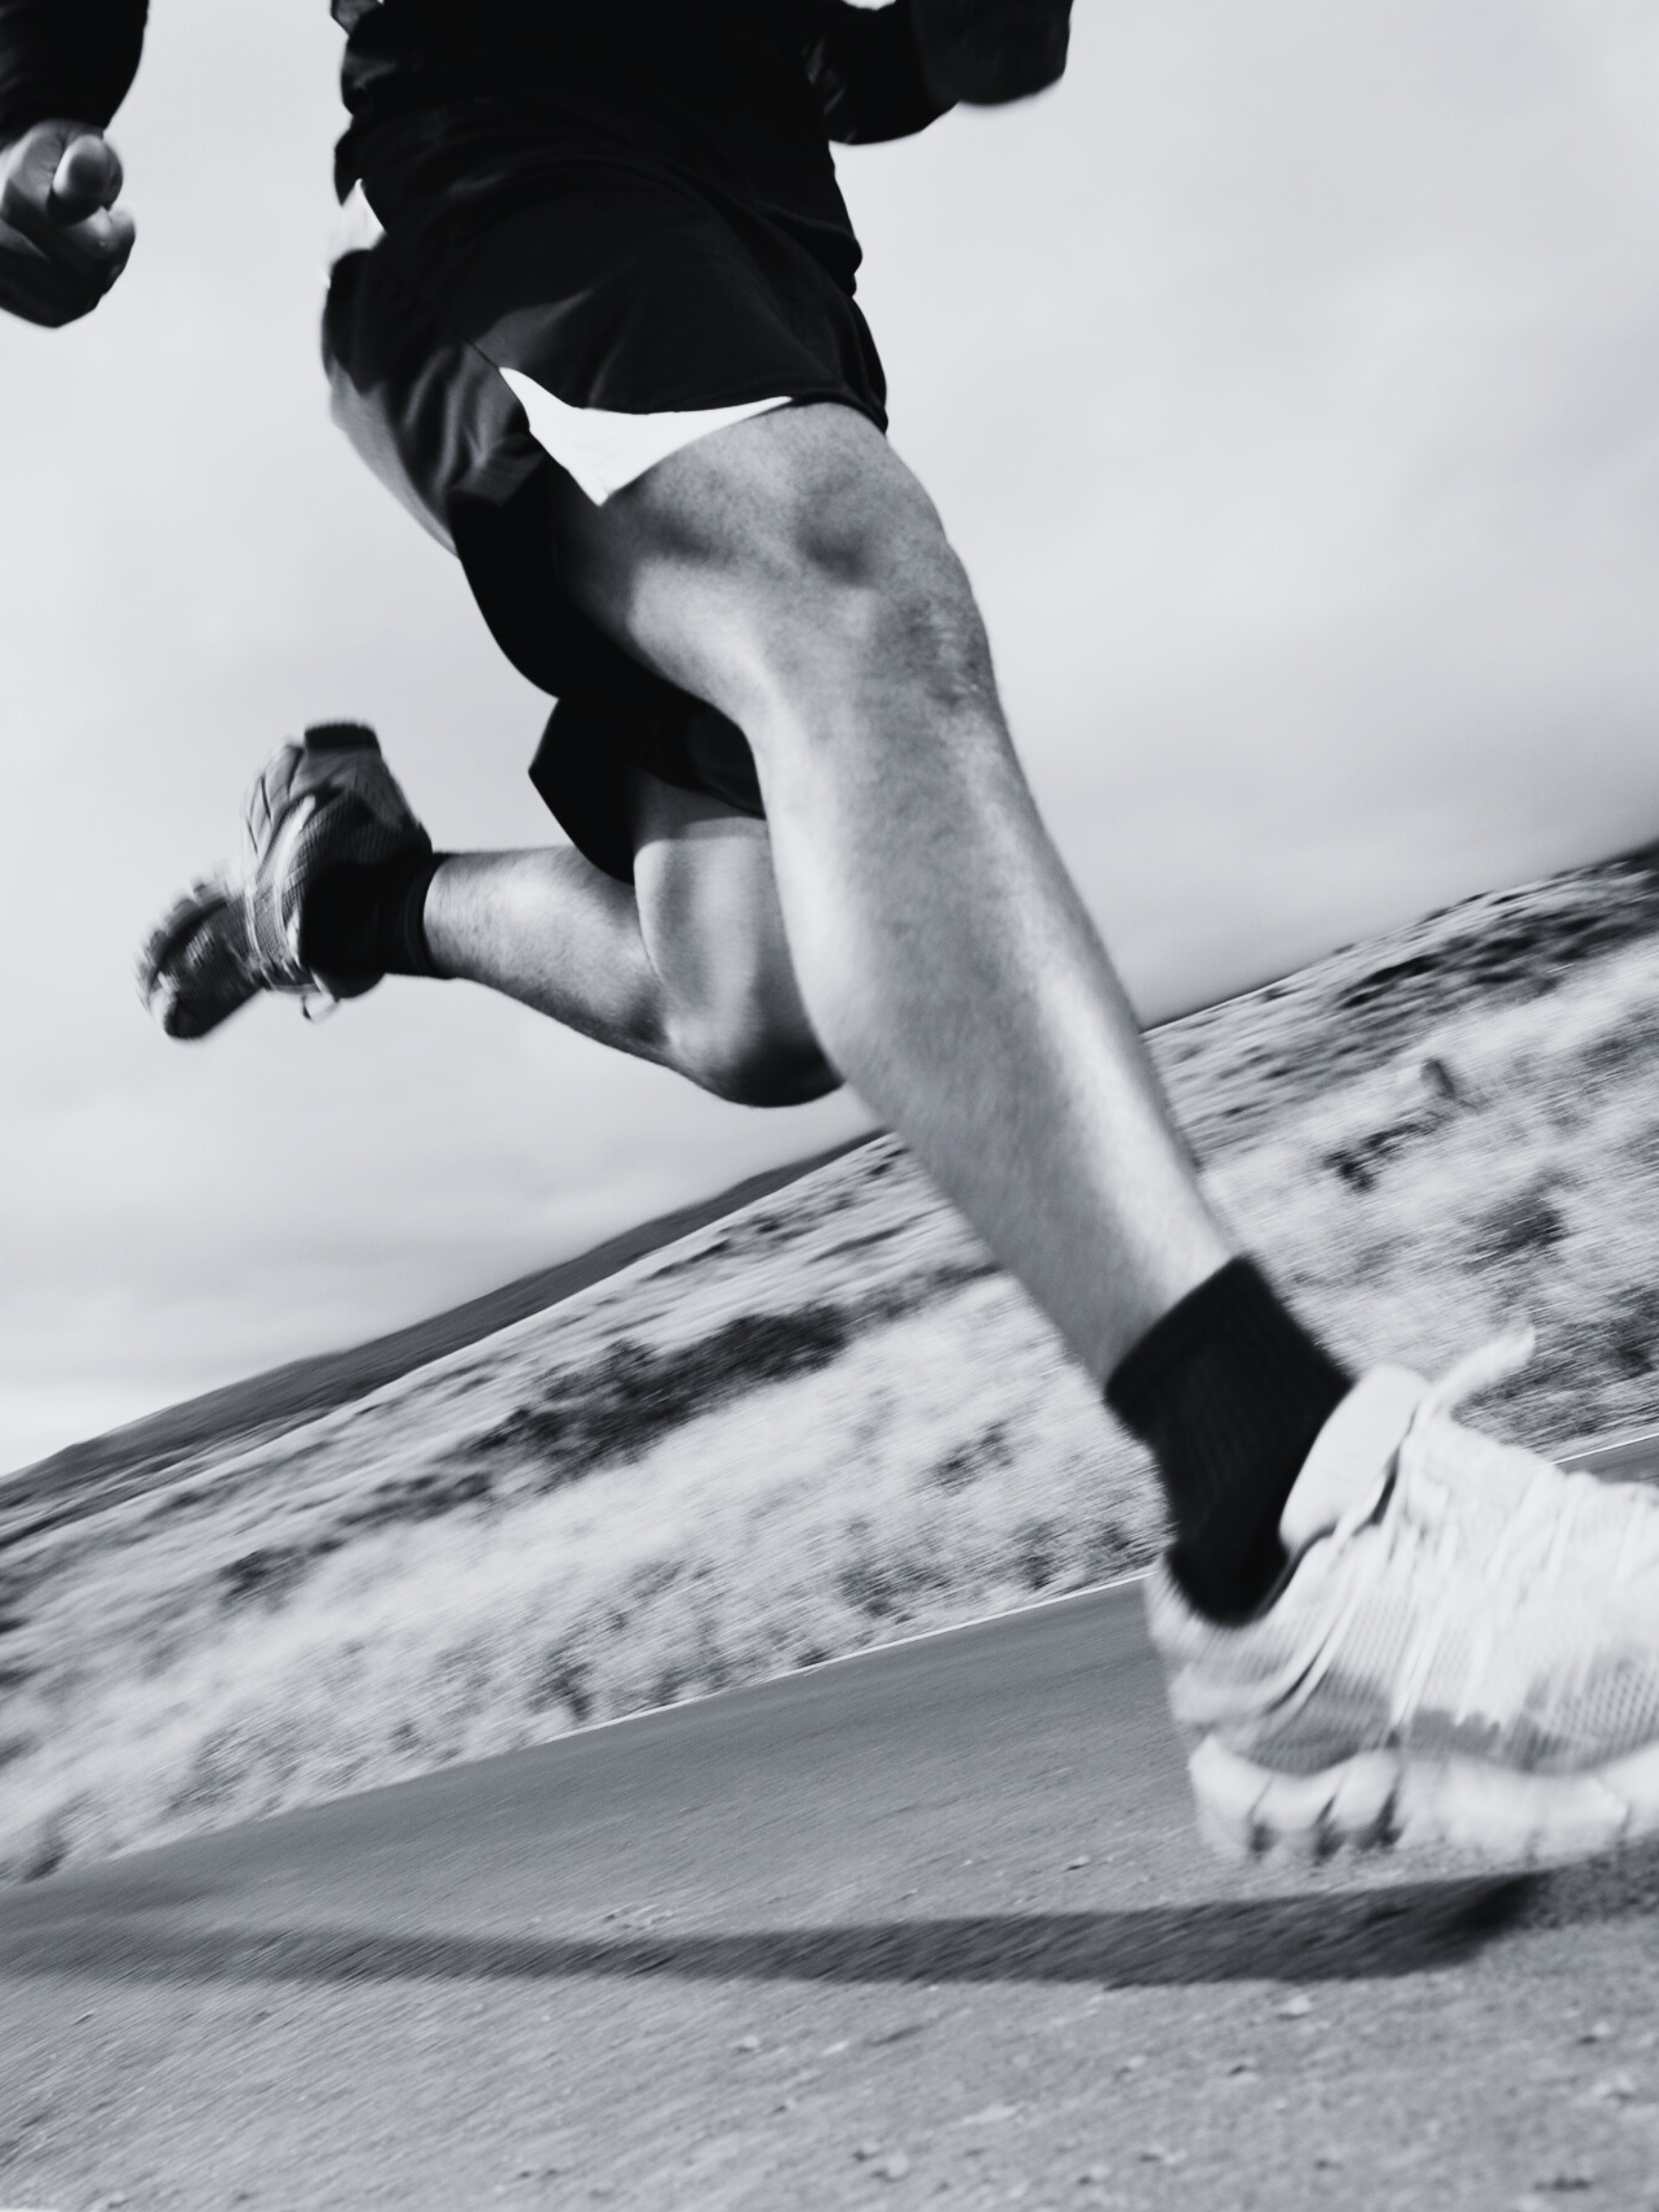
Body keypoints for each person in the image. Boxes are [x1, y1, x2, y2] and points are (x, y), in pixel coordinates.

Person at [6, 0, 1658, 1865]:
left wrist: (932, 55)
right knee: (848, 581)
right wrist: (34, 88)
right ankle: (1278, 1503)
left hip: (767, 277)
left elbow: (873, 59)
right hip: (513, 164)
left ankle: (360, 893)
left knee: (762, 997)